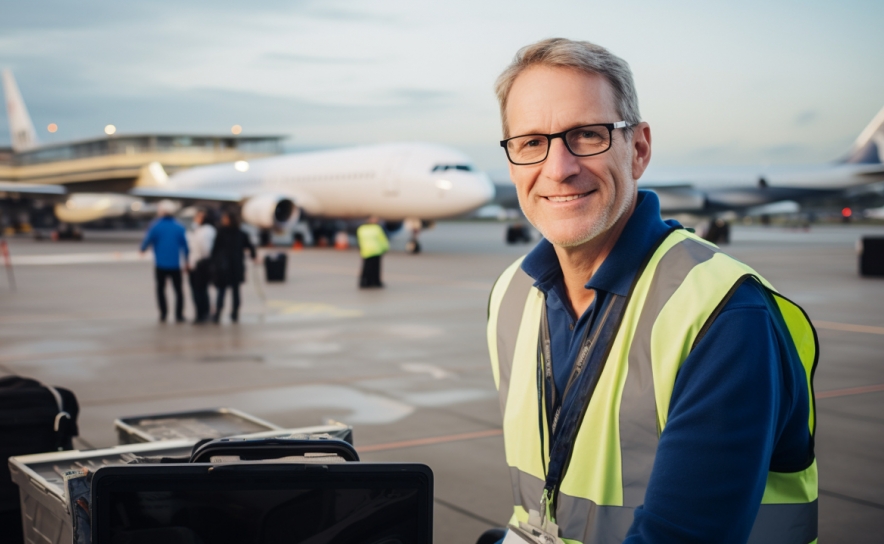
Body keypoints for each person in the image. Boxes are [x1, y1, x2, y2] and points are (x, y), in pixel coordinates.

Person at [486, 39, 817, 544]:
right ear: (512, 163)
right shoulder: (512, 294)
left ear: (637, 149)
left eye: (587, 135)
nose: (558, 168)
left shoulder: (725, 315)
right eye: (532, 142)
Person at [140, 200, 189, 323]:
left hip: (160, 264)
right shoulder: (179, 226)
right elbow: (185, 246)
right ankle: (179, 314)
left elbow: (148, 240)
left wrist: (143, 249)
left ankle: (163, 313)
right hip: (175, 264)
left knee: (161, 290)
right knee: (178, 290)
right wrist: (187, 260)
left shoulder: (156, 226)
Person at [210, 210, 256, 323]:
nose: (223, 220)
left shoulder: (225, 233)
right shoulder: (238, 233)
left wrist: (253, 256)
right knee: (226, 291)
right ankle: (222, 313)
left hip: (228, 266)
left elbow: (215, 250)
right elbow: (250, 247)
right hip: (231, 266)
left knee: (228, 291)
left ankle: (231, 313)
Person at [187, 208, 216, 323]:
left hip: (201, 264)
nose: (196, 219)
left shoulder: (207, 230)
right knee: (199, 291)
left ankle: (202, 313)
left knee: (200, 291)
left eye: (198, 217)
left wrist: (199, 261)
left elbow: (205, 250)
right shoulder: (198, 230)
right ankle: (202, 312)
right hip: (195, 264)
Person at [356, 217, 389, 288]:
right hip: (376, 250)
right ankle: (375, 282)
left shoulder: (361, 229)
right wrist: (386, 248)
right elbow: (382, 239)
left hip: (366, 251)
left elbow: (359, 240)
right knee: (376, 268)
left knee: (366, 268)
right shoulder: (377, 228)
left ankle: (364, 282)